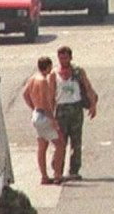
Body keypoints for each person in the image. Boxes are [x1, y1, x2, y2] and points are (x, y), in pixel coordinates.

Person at [54, 46, 98, 180]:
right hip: (61, 110)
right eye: (61, 58)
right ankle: (57, 171)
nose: (63, 61)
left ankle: (74, 170)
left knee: (76, 141)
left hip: (75, 109)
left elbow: (88, 87)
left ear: (70, 58)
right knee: (60, 142)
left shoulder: (78, 72)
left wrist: (93, 105)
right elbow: (50, 94)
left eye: (65, 58)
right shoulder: (54, 73)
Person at [23, 56, 65, 184]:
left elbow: (25, 94)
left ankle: (44, 176)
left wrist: (33, 107)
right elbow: (46, 103)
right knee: (60, 144)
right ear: (47, 67)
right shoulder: (43, 82)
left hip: (36, 114)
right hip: (44, 115)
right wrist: (52, 119)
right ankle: (57, 174)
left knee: (42, 145)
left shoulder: (33, 79)